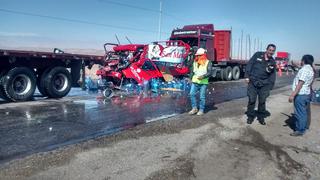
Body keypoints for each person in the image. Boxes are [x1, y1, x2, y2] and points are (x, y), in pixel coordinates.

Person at [245, 44, 277, 125]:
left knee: (262, 101)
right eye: (270, 50)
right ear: (266, 49)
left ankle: (261, 117)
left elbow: (273, 75)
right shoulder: (257, 55)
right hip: (253, 82)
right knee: (252, 100)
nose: (271, 52)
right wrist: (247, 76)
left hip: (264, 84)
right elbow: (250, 64)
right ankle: (250, 116)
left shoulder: (272, 61)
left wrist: (271, 85)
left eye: (273, 51)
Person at [289, 55, 314, 136]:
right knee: (304, 112)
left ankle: (300, 130)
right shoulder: (310, 69)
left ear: (304, 60)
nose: (300, 61)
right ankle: (304, 127)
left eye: (301, 60)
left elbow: (300, 83)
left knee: (300, 113)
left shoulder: (304, 70)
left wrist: (293, 95)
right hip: (306, 94)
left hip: (300, 94)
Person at [188, 48, 212, 116]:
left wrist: (203, 76)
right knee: (191, 94)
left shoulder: (208, 62)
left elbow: (210, 72)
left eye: (199, 55)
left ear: (203, 55)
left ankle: (201, 110)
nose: (197, 56)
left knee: (202, 97)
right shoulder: (195, 62)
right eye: (197, 55)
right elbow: (192, 71)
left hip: (203, 82)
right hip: (195, 81)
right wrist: (190, 78)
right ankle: (194, 108)